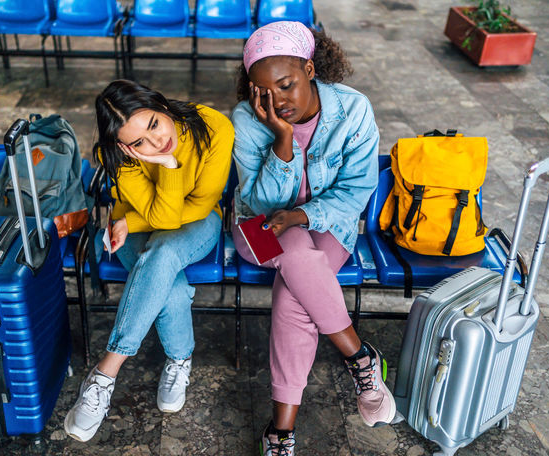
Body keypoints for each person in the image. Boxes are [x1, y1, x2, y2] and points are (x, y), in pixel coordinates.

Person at [231, 21, 397, 455]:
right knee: (298, 256)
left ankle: (281, 430)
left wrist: (303, 214)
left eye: (285, 85)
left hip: (328, 225)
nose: (276, 101)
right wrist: (283, 142)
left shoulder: (352, 110)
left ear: (309, 68)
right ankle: (359, 357)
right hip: (257, 227)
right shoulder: (249, 120)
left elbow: (356, 190)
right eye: (262, 92)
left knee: (295, 290)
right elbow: (256, 199)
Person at [64, 79, 234, 442]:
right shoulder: (116, 155)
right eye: (138, 142)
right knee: (170, 285)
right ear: (124, 145)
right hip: (137, 221)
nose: (156, 142)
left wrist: (167, 168)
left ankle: (105, 374)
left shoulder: (215, 127)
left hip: (199, 220)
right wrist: (134, 216)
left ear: (162, 105)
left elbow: (194, 208)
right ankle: (179, 359)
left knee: (164, 251)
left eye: (154, 124)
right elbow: (157, 212)